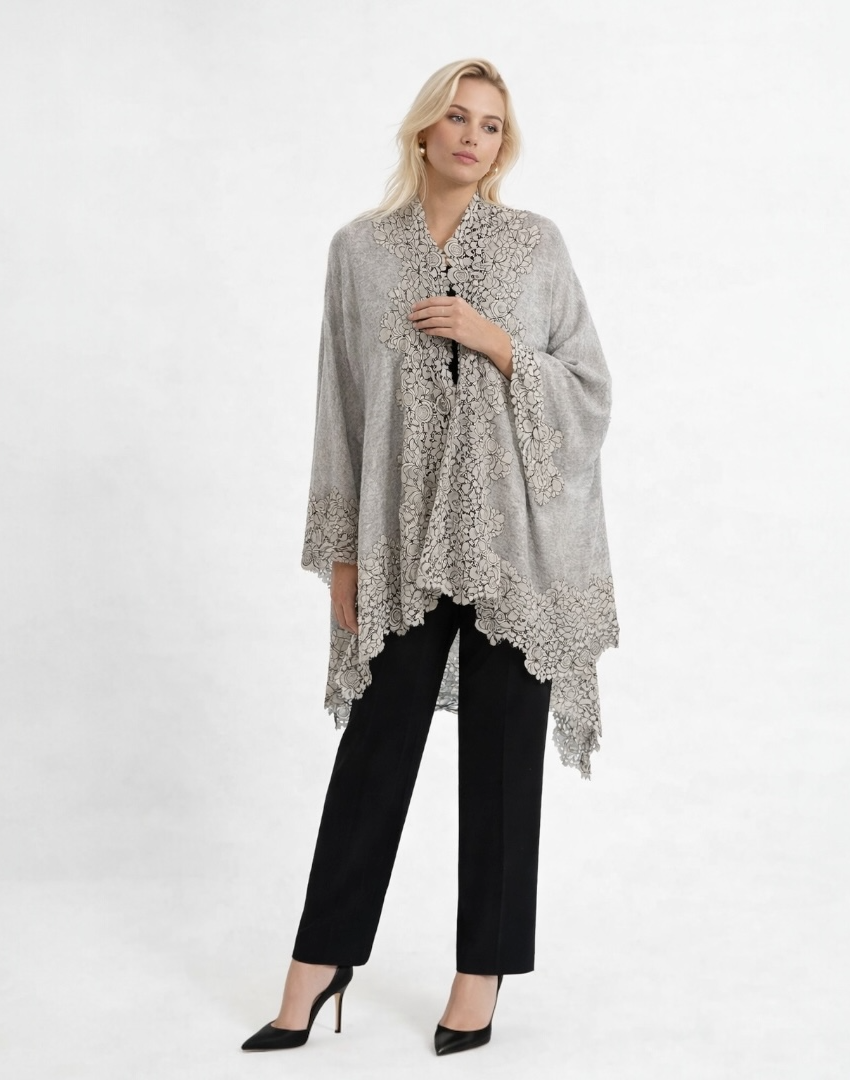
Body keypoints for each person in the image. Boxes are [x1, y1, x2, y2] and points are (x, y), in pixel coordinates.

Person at [241, 58, 618, 1057]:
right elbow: (341, 405)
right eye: (457, 117)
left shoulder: (537, 246)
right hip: (402, 546)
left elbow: (589, 390)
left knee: (503, 762)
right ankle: (319, 963)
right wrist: (343, 556)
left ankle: (479, 974)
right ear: (423, 129)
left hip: (517, 548)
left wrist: (498, 342)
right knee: (375, 747)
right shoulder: (359, 252)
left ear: (503, 145)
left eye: (491, 125)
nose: (472, 137)